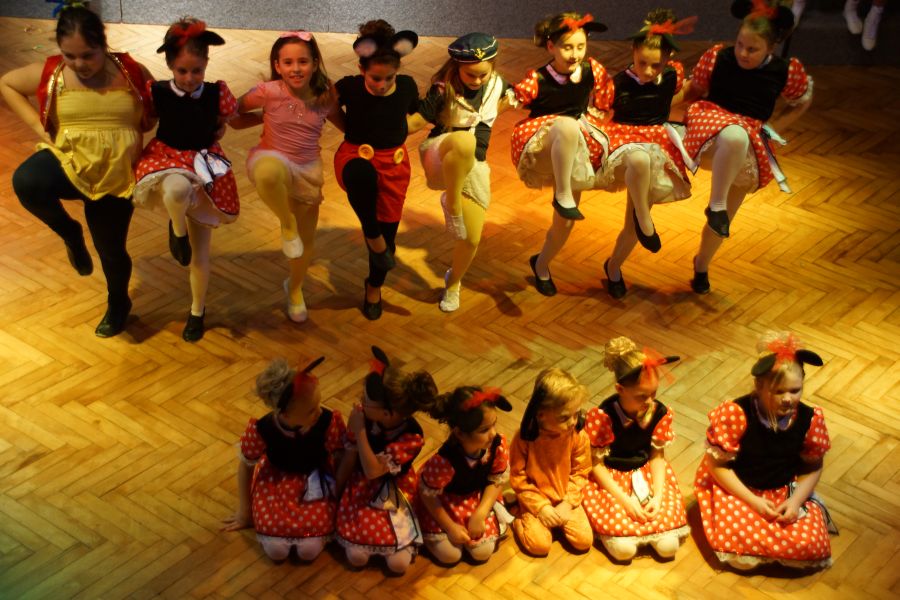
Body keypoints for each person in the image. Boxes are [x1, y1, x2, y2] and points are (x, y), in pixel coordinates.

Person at [1, 1, 154, 337]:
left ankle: (118, 303)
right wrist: (38, 127)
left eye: (88, 55)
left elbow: (160, 108)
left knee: (111, 251)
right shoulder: (54, 72)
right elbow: (7, 83)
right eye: (70, 55)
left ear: (103, 44)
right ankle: (70, 233)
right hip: (70, 164)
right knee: (27, 181)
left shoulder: (132, 71)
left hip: (116, 175)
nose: (79, 64)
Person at [681, 0, 812, 294]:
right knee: (735, 135)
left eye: (752, 49)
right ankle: (715, 205)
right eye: (740, 44)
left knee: (724, 221)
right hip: (711, 127)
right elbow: (694, 90)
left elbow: (802, 100)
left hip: (749, 141)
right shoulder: (719, 57)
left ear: (770, 48)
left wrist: (774, 129)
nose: (742, 53)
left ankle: (702, 264)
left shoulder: (784, 71)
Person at [132, 18, 238, 341]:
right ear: (169, 65)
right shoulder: (157, 92)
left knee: (201, 253)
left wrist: (220, 127)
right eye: (182, 71)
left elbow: (226, 119)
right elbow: (145, 120)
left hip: (204, 163)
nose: (190, 78)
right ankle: (178, 233)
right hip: (168, 159)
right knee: (177, 188)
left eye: (197, 71)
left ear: (206, 63)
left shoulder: (217, 92)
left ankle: (197, 310)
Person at [694, 331, 834, 570]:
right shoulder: (737, 414)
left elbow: (813, 466)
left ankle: (772, 545)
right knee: (739, 553)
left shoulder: (809, 419)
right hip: (739, 487)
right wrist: (753, 501)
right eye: (778, 392)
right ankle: (759, 546)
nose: (788, 399)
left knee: (810, 545)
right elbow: (717, 466)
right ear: (759, 386)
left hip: (783, 490)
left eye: (795, 390)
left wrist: (795, 501)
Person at [236, 31, 343, 323]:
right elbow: (232, 114)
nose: (296, 68)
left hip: (307, 170)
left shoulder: (326, 94)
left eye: (303, 62)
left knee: (304, 245)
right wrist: (262, 117)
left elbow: (347, 125)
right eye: (288, 62)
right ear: (277, 65)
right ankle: (287, 224)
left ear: (315, 63)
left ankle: (294, 289)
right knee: (269, 172)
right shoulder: (268, 91)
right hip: (271, 157)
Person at [508, 12, 613, 296]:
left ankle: (541, 264)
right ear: (551, 46)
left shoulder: (592, 70)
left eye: (580, 46)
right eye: (567, 47)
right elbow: (512, 98)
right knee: (565, 125)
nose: (575, 54)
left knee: (565, 222)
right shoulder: (539, 78)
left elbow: (605, 97)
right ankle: (563, 194)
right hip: (543, 141)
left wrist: (594, 119)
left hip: (574, 145)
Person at [408, 33, 510, 312]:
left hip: (473, 165)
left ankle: (453, 283)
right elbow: (416, 122)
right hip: (440, 154)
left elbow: (523, 96)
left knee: (471, 238)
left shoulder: (498, 85)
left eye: (482, 75)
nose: (477, 81)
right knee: (465, 141)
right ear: (456, 67)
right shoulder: (443, 89)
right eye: (470, 75)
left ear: (492, 68)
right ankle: (452, 205)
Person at [597, 10, 695, 298]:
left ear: (667, 60)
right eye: (642, 63)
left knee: (632, 227)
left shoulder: (672, 75)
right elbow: (597, 113)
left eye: (656, 65)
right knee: (639, 158)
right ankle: (644, 219)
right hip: (624, 145)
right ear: (633, 53)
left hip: (657, 146)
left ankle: (614, 266)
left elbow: (676, 94)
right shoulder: (618, 83)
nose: (649, 71)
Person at [333, 20, 420, 320]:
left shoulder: (407, 86)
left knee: (389, 242)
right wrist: (347, 128)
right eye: (374, 78)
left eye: (388, 78)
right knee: (361, 175)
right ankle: (372, 236)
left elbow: (415, 114)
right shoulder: (348, 86)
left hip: (393, 164)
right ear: (361, 69)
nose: (381, 85)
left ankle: (373, 286)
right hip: (355, 156)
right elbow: (323, 105)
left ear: (398, 70)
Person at [221, 357, 347, 562]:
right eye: (311, 410)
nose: (320, 411)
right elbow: (246, 466)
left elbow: (341, 455)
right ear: (286, 415)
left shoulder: (327, 420)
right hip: (276, 484)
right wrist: (244, 510)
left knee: (309, 550)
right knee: (276, 551)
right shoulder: (263, 429)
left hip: (314, 482)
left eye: (319, 403)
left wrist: (339, 496)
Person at [582, 337, 689, 561]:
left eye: (654, 393)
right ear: (620, 389)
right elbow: (596, 464)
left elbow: (657, 456)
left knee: (668, 546)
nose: (650, 401)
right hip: (611, 480)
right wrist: (624, 500)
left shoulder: (659, 412)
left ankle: (652, 526)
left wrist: (657, 496)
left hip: (646, 473)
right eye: (642, 396)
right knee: (624, 550)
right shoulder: (604, 416)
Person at [335, 346, 437, 574]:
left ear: (387, 413)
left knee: (398, 564)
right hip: (361, 489)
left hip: (394, 490)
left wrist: (361, 432)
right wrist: (335, 493)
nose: (360, 402)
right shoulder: (364, 418)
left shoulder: (411, 436)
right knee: (356, 557)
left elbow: (373, 470)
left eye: (366, 400)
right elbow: (351, 459)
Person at [417, 386, 513, 564]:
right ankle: (428, 534)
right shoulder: (445, 462)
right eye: (484, 430)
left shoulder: (497, 445)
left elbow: (496, 478)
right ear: (460, 433)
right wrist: (450, 527)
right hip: (446, 502)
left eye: (494, 424)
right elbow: (427, 494)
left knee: (482, 552)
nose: (493, 433)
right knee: (450, 555)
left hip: (476, 498)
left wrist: (480, 514)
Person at [509, 367, 593, 556]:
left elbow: (581, 472)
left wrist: (567, 503)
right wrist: (541, 508)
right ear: (540, 414)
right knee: (539, 546)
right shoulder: (524, 439)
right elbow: (518, 478)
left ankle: (555, 523)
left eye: (576, 414)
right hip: (535, 500)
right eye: (564, 417)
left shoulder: (578, 436)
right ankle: (518, 518)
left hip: (566, 498)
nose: (573, 422)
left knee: (584, 541)